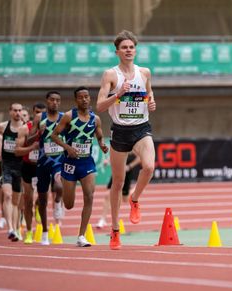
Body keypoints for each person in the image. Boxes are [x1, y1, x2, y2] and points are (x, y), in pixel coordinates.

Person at [96, 30, 157, 250]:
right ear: (117, 51)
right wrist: (118, 94)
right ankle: (114, 230)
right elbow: (100, 106)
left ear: (135, 50)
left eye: (131, 47)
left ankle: (134, 199)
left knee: (149, 167)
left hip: (141, 128)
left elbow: (149, 94)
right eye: (124, 47)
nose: (128, 50)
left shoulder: (145, 72)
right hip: (120, 131)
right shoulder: (110, 75)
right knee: (118, 183)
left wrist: (151, 103)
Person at [50, 87, 108, 247]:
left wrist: (102, 145)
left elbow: (99, 135)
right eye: (81, 97)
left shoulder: (95, 119)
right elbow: (53, 135)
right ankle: (60, 196)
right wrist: (67, 147)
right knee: (69, 205)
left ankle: (81, 236)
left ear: (90, 98)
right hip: (69, 163)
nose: (84, 99)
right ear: (76, 100)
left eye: (87, 97)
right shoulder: (69, 116)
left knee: (89, 196)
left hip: (86, 162)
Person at [31, 91, 66, 241]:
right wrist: (39, 133)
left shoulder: (65, 117)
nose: (55, 103)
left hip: (59, 160)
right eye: (52, 100)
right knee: (43, 199)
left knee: (59, 186)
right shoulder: (40, 118)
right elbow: (28, 139)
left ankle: (58, 202)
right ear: (47, 101)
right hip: (43, 162)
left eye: (58, 100)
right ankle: (45, 232)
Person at [15, 102, 46, 244]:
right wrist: (31, 147)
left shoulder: (51, 128)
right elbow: (17, 151)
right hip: (28, 166)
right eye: (37, 112)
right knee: (27, 200)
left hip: (43, 165)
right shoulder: (24, 129)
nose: (39, 115)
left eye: (42, 112)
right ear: (33, 113)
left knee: (42, 197)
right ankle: (28, 232)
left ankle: (39, 205)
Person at [0, 103, 24, 241]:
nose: (17, 113)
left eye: (19, 110)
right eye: (15, 110)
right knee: (7, 195)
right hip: (6, 165)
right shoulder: (2, 126)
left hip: (20, 166)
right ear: (10, 111)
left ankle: (17, 228)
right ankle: (11, 228)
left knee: (16, 202)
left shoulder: (26, 127)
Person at [96, 153, 141, 229]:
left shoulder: (134, 146)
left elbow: (139, 158)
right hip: (117, 173)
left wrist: (129, 166)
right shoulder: (119, 142)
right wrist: (107, 161)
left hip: (127, 173)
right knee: (107, 195)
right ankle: (102, 219)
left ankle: (137, 189)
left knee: (125, 199)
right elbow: (115, 153)